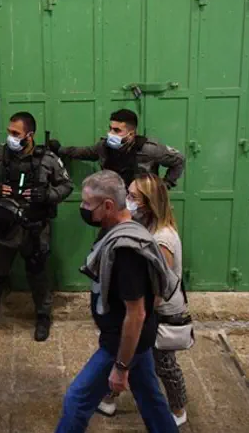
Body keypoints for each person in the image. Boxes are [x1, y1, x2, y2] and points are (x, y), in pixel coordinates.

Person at [55, 170, 179, 433]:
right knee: (151, 399)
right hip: (137, 339)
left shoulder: (126, 250)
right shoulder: (122, 229)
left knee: (77, 400)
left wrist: (121, 367)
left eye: (88, 204)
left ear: (108, 206)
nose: (83, 208)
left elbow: (137, 314)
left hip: (123, 341)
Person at [0, 112, 73, 342]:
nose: (10, 137)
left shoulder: (47, 159)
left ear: (29, 135)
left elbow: (66, 185)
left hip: (34, 228)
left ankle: (43, 316)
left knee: (38, 275)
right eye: (9, 132)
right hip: (5, 226)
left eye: (16, 133)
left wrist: (47, 194)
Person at [96, 173, 189, 426]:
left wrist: (133, 313)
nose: (127, 201)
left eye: (133, 197)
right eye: (127, 194)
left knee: (165, 365)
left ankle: (178, 409)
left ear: (149, 203)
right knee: (130, 355)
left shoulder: (162, 239)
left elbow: (157, 290)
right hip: (150, 313)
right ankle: (109, 396)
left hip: (164, 313)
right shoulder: (144, 227)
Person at [47, 109, 185, 188]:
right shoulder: (104, 147)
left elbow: (179, 160)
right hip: (115, 206)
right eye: (110, 129)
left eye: (117, 130)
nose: (111, 134)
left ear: (131, 134)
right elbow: (85, 152)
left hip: (143, 208)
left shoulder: (148, 150)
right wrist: (60, 150)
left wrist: (164, 186)